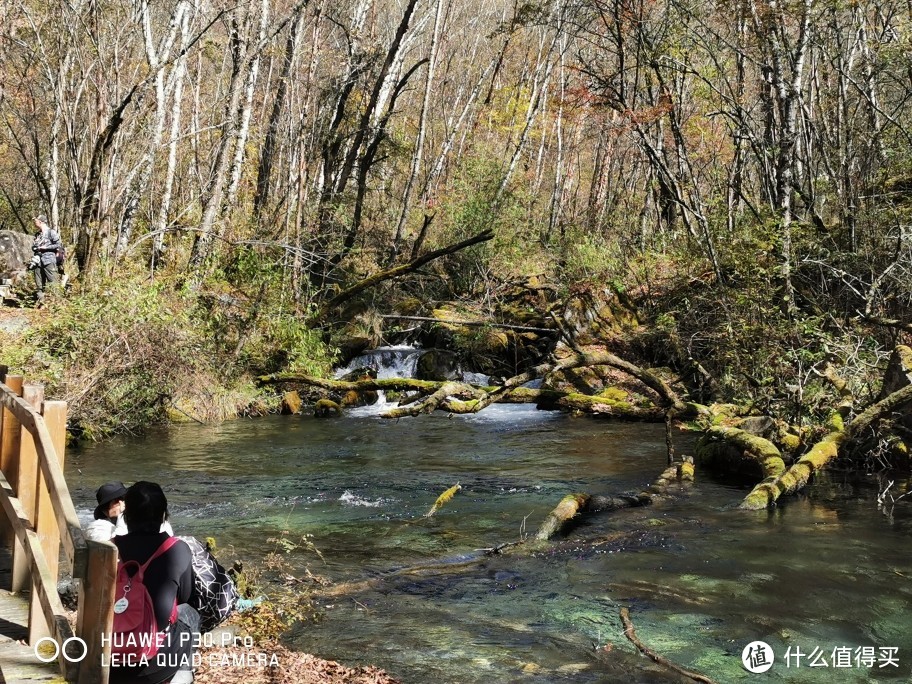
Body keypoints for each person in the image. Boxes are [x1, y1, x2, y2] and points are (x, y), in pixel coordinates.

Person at [111, 482, 199, 684]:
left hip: (106, 660)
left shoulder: (110, 548)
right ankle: (182, 678)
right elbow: (186, 596)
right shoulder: (177, 550)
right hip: (153, 667)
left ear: (126, 515)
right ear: (163, 514)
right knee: (188, 613)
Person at [30, 214, 61, 301]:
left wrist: (46, 247)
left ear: (40, 222)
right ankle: (41, 302)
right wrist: (35, 245)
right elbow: (34, 247)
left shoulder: (51, 232)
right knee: (39, 283)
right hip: (38, 261)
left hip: (49, 260)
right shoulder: (37, 234)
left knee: (53, 282)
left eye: (35, 221)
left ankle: (56, 304)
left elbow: (58, 245)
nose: (34, 223)